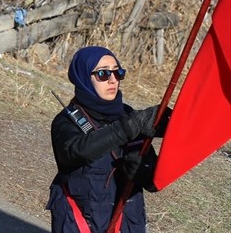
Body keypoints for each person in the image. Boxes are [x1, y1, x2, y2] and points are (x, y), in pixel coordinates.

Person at [47, 47, 167, 233]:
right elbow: (74, 152)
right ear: (84, 77)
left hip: (127, 222)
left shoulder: (129, 115)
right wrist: (127, 128)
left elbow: (153, 183)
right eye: (103, 73)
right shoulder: (66, 121)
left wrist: (142, 171)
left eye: (117, 72)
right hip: (79, 222)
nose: (113, 80)